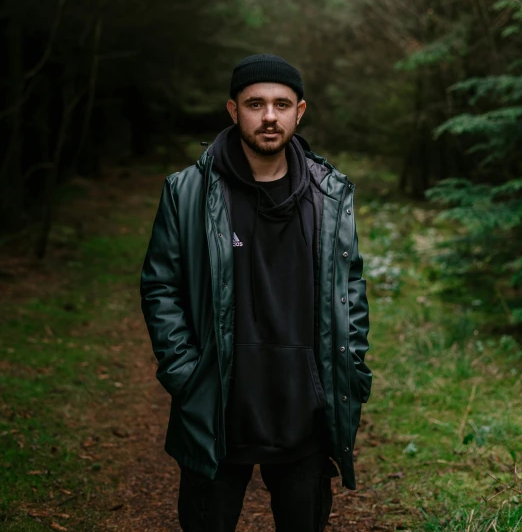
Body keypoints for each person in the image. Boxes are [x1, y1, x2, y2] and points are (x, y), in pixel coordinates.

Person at [140, 54, 372, 532]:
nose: (269, 116)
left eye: (281, 104)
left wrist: (352, 370)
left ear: (299, 111)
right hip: (218, 409)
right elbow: (161, 286)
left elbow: (351, 285)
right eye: (255, 104)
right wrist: (186, 374)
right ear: (233, 110)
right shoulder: (187, 193)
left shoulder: (329, 195)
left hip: (305, 414)